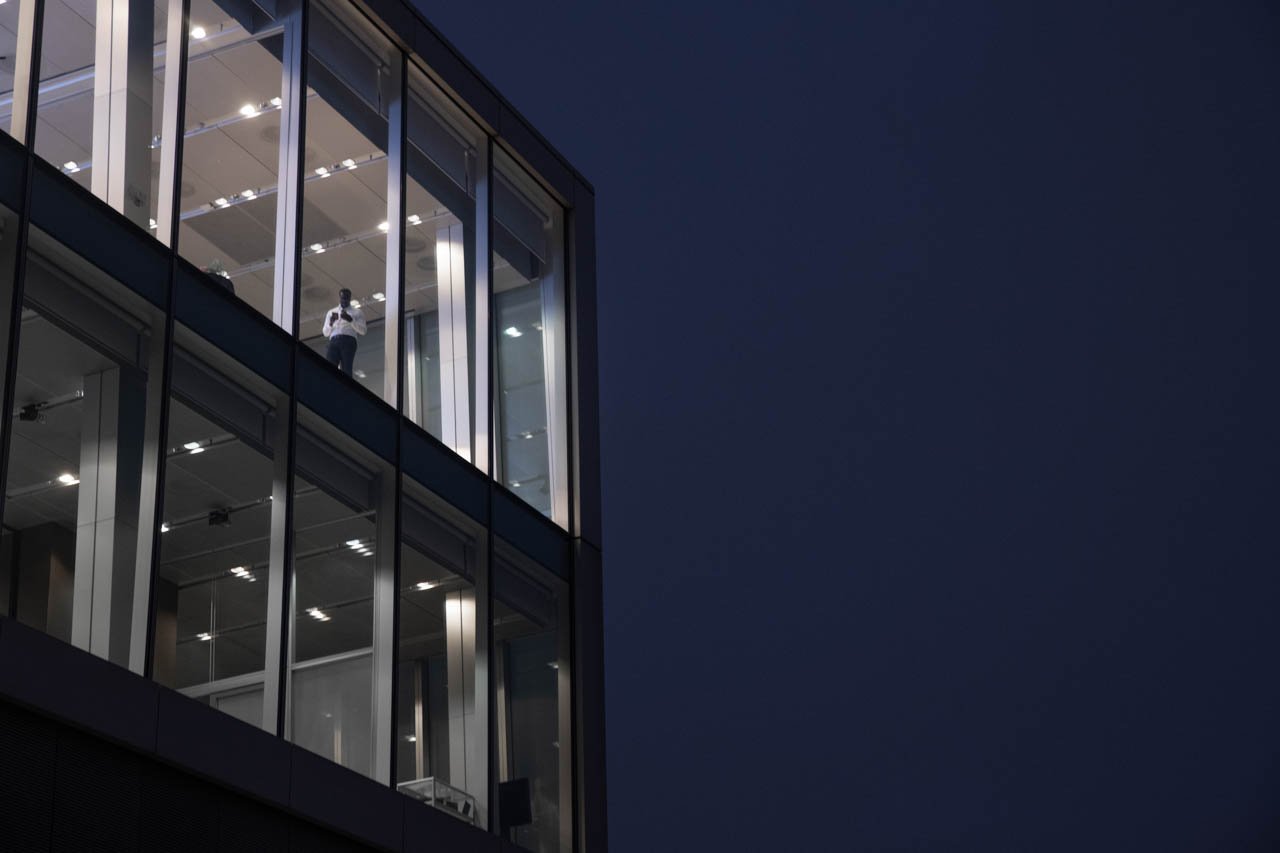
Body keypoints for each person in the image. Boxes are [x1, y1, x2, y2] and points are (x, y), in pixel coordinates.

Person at [322, 287, 366, 377]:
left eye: (346, 298)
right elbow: (325, 333)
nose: (344, 301)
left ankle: (346, 389)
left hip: (348, 341)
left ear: (350, 298)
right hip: (334, 341)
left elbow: (363, 331)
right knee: (329, 368)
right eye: (342, 298)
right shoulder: (331, 312)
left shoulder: (357, 312)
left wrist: (351, 320)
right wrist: (331, 323)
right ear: (340, 298)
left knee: (346, 369)